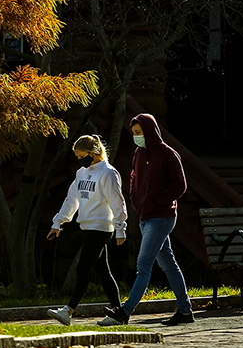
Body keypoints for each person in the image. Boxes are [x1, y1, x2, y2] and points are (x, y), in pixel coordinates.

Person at [99, 113, 194, 327]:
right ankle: (186, 311)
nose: (136, 136)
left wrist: (156, 201)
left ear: (149, 131)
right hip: (145, 216)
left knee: (143, 264)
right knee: (169, 264)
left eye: (139, 133)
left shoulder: (168, 154)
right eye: (134, 133)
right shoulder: (138, 154)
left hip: (161, 217)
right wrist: (136, 199)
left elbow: (180, 185)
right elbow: (133, 177)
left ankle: (125, 311)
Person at [45, 134, 126, 326]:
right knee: (103, 272)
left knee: (83, 269)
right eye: (77, 156)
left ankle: (68, 311)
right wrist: (58, 223)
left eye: (82, 156)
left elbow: (117, 203)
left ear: (94, 152)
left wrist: (120, 228)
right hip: (87, 227)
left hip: (101, 228)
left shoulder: (108, 173)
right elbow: (71, 200)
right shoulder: (81, 173)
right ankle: (119, 313)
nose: (79, 160)